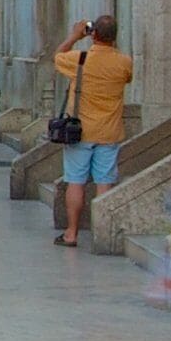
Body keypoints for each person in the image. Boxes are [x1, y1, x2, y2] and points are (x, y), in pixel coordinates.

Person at [55, 14, 138, 247]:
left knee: (76, 181)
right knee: (105, 182)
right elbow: (127, 77)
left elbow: (57, 56)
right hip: (110, 132)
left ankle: (71, 233)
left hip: (80, 131)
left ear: (93, 34)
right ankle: (103, 233)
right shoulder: (124, 62)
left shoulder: (79, 59)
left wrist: (74, 36)